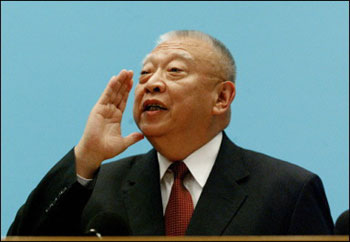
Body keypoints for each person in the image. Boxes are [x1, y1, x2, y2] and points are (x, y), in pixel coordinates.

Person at [7, 30, 334, 236]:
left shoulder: (287, 191)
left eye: (175, 70)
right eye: (146, 73)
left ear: (221, 97)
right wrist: (85, 157)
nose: (152, 82)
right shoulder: (98, 185)